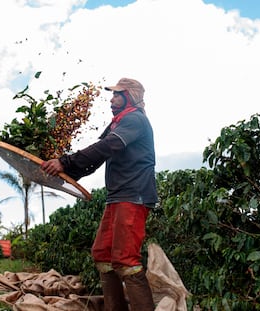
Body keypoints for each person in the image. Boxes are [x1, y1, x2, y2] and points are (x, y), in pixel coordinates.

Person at [42, 78, 157, 311]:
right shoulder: (118, 123)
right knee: (102, 254)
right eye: (112, 95)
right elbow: (98, 157)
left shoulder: (135, 119)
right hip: (117, 196)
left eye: (117, 95)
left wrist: (65, 162)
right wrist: (68, 171)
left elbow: (106, 147)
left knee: (126, 259)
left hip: (134, 195)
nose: (111, 99)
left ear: (130, 97)